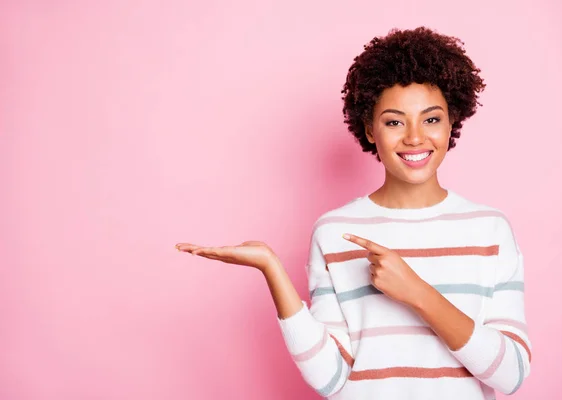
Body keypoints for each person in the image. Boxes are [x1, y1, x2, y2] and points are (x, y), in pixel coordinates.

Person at [175, 26, 531, 400]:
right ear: (370, 128)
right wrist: (271, 268)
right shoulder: (335, 232)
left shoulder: (489, 230)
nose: (414, 137)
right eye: (394, 121)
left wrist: (418, 294)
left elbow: (511, 376)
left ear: (451, 122)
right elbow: (330, 378)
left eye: (431, 119)